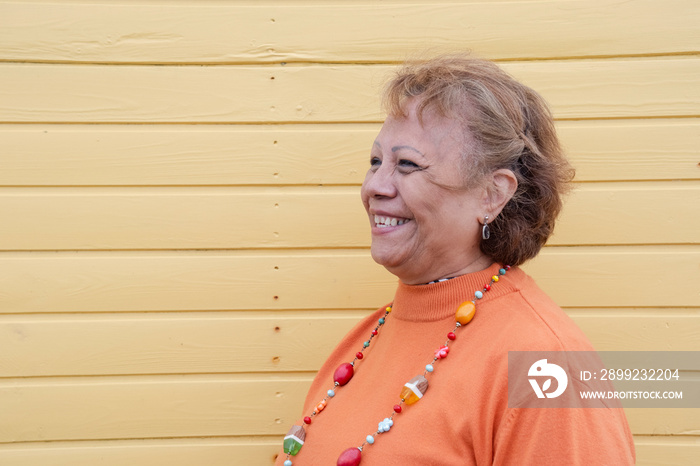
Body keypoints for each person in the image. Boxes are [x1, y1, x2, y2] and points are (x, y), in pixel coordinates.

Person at [275, 55, 635, 465]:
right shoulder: (367, 338)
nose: (374, 185)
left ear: (492, 194)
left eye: (407, 164)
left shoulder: (546, 367)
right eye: (375, 162)